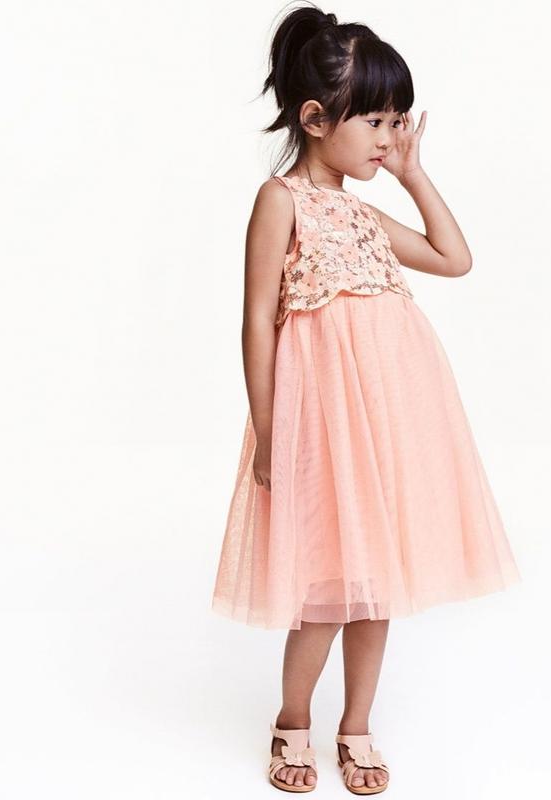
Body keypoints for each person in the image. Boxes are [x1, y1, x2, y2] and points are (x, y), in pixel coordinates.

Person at [211, 3, 521, 794]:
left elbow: (454, 258)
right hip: (321, 423)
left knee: (375, 586)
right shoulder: (282, 200)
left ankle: (356, 726)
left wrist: (413, 174)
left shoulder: (363, 211)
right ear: (316, 119)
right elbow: (256, 319)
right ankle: (292, 721)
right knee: (325, 589)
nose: (388, 138)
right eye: (375, 122)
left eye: (395, 122)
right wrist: (270, 429)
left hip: (390, 418)